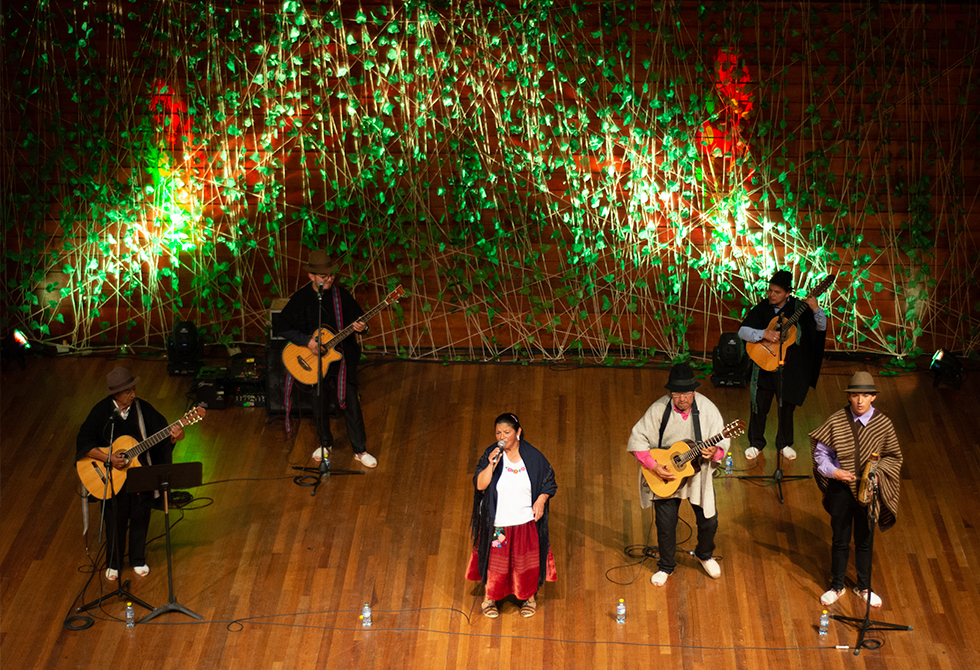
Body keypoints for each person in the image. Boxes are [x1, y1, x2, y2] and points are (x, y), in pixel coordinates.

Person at [75, 367, 185, 581]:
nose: (133, 394)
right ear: (115, 394)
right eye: (127, 392)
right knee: (114, 521)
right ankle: (113, 563)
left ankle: (137, 559)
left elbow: (161, 438)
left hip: (139, 475)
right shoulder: (101, 412)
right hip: (111, 479)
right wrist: (108, 457)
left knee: (140, 517)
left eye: (133, 389)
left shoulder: (143, 409)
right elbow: (83, 443)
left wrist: (174, 437)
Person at [627, 363, 729, 586]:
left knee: (709, 521)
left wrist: (715, 451)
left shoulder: (708, 409)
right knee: (665, 524)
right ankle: (666, 566)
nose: (682, 399)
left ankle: (704, 555)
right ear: (671, 392)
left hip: (697, 475)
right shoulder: (658, 409)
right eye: (676, 394)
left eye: (686, 394)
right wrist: (654, 466)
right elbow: (637, 439)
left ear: (694, 392)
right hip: (666, 474)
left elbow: (722, 441)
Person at [809, 371, 903, 608]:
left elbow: (893, 457)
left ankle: (864, 587)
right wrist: (834, 472)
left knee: (865, 541)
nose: (860, 401)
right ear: (848, 396)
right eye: (855, 395)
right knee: (840, 539)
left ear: (873, 397)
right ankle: (837, 585)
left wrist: (877, 474)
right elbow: (821, 454)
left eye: (865, 395)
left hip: (868, 491)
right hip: (841, 489)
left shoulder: (883, 424)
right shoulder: (837, 421)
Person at [277, 249, 377, 468]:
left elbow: (360, 321)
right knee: (319, 403)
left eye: (331, 275)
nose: (330, 279)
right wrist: (307, 342)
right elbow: (281, 326)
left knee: (351, 403)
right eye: (324, 276)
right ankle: (325, 444)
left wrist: (363, 327)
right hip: (313, 362)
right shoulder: (301, 299)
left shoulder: (342, 296)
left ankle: (360, 450)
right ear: (311, 276)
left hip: (342, 360)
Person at [466, 413, 557, 618]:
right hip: (499, 524)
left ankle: (528, 597)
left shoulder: (533, 456)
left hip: (525, 522)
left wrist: (541, 500)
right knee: (496, 565)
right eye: (498, 432)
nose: (502, 437)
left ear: (518, 432)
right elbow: (480, 485)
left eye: (507, 432)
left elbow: (549, 482)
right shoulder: (492, 454)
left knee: (525, 564)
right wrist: (491, 464)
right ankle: (490, 598)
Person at [738, 269, 827, 461]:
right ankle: (755, 443)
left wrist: (816, 309)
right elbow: (742, 331)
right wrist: (764, 334)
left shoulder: (799, 308)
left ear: (788, 293)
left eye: (777, 292)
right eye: (770, 290)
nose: (771, 295)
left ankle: (784, 444)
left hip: (790, 369)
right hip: (764, 366)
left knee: (786, 408)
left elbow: (821, 327)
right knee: (759, 406)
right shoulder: (762, 308)